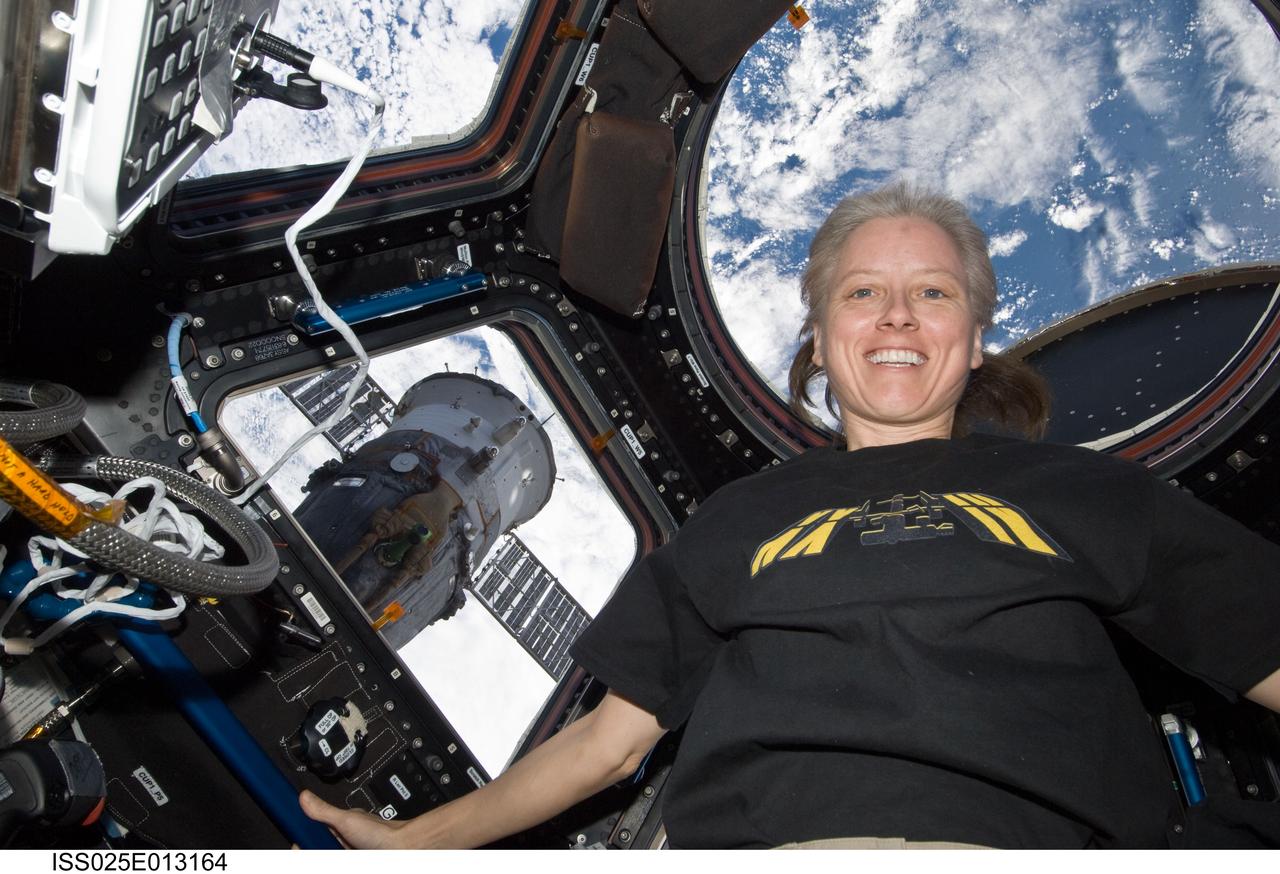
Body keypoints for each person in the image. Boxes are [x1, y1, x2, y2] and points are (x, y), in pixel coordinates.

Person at [300, 182, 1280, 849]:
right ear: (820, 335)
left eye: (932, 292)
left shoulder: (1087, 494)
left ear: (975, 338)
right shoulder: (737, 520)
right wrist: (418, 841)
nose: (896, 315)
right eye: (863, 292)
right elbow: (608, 743)